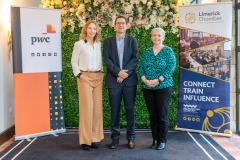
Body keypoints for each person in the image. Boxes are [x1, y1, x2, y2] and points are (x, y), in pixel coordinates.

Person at [103, 15, 138, 149]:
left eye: (123, 23)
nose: (121, 25)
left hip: (129, 82)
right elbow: (107, 60)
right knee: (114, 111)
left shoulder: (132, 40)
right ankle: (115, 139)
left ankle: (131, 138)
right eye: (118, 23)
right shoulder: (107, 42)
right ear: (114, 26)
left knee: (130, 111)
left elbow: (135, 58)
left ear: (127, 25)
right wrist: (118, 72)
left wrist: (124, 74)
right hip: (113, 81)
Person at [139, 28, 176, 150]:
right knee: (153, 115)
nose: (156, 37)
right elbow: (141, 68)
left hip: (163, 87)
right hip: (147, 87)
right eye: (154, 35)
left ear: (163, 37)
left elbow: (171, 67)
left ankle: (162, 140)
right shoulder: (147, 52)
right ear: (151, 37)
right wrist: (144, 80)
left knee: (162, 114)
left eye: (159, 35)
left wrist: (158, 80)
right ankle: (155, 139)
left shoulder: (168, 51)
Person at [71, 20, 104, 151]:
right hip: (84, 76)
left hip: (98, 77)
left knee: (97, 109)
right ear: (85, 30)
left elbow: (99, 60)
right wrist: (79, 75)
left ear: (97, 31)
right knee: (86, 109)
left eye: (94, 29)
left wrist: (101, 72)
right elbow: (73, 61)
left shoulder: (98, 44)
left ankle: (94, 138)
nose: (92, 31)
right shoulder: (79, 44)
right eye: (90, 28)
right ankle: (85, 140)